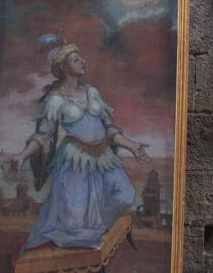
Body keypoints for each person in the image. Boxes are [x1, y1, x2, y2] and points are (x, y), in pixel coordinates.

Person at [8, 39, 148, 254]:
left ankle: (96, 227)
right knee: (75, 222)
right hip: (75, 161)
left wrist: (132, 146)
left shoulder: (92, 92)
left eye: (81, 57)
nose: (83, 61)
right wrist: (22, 156)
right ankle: (84, 237)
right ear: (63, 67)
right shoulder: (55, 100)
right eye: (76, 59)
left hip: (103, 157)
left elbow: (109, 128)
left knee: (125, 195)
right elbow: (43, 135)